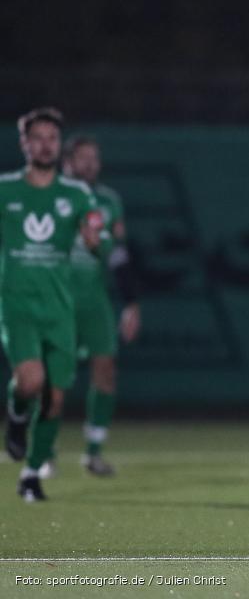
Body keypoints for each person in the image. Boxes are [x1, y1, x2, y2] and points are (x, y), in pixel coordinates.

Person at [1, 108, 109, 501]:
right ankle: (15, 412)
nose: (45, 144)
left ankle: (31, 473)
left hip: (59, 308)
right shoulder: (6, 189)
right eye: (38, 137)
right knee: (31, 382)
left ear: (58, 145)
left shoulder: (77, 194)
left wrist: (96, 239)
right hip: (18, 305)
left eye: (51, 137)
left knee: (56, 398)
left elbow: (99, 233)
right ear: (24, 143)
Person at [37, 136, 140, 477]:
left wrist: (131, 304)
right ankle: (45, 450)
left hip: (94, 301)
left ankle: (93, 452)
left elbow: (120, 257)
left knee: (106, 370)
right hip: (57, 299)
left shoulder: (109, 201)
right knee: (53, 377)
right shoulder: (50, 195)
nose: (90, 164)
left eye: (94, 158)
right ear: (67, 162)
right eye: (83, 158)